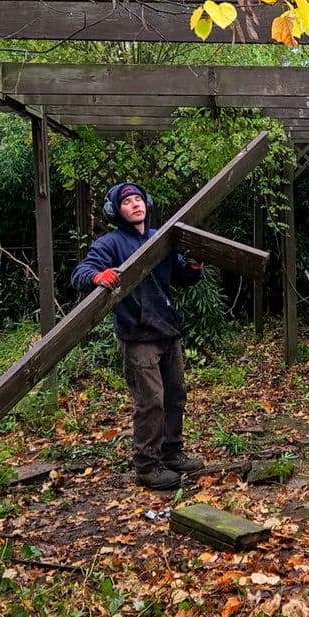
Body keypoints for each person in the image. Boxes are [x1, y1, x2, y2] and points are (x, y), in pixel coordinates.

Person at [71, 182, 205, 491]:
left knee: (175, 396)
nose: (135, 204)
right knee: (150, 401)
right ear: (115, 210)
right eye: (127, 201)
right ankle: (147, 466)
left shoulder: (160, 237)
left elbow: (181, 275)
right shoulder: (110, 243)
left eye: (138, 199)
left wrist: (194, 266)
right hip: (137, 335)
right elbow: (80, 273)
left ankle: (171, 453)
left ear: (147, 203)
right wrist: (97, 276)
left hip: (167, 329)